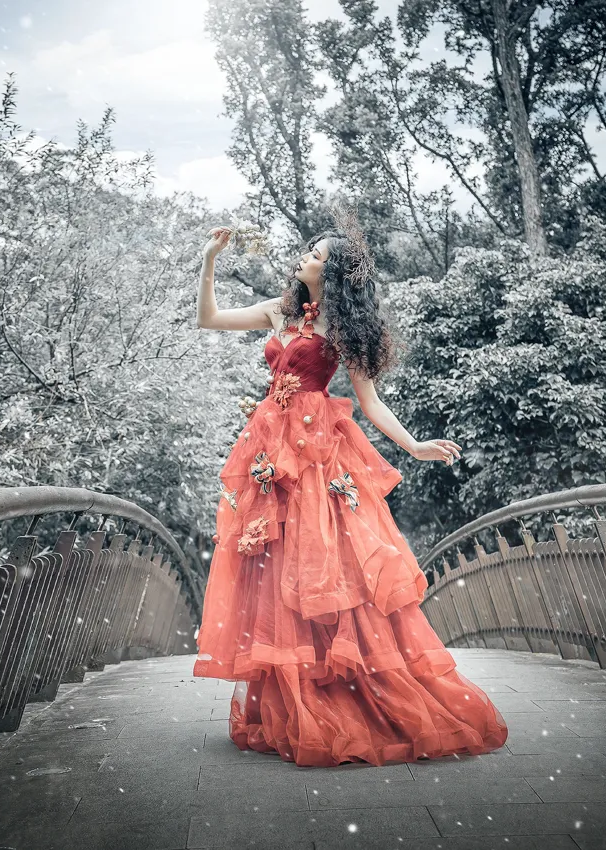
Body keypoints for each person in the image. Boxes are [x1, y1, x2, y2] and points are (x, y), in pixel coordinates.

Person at [191, 212, 508, 767]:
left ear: (333, 272)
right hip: (271, 451)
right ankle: (294, 701)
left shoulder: (342, 331)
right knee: (276, 565)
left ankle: (347, 696)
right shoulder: (277, 311)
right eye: (309, 250)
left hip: (319, 456)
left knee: (332, 567)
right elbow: (209, 318)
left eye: (316, 253)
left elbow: (370, 403)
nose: (305, 256)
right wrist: (210, 262)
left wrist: (413, 446)